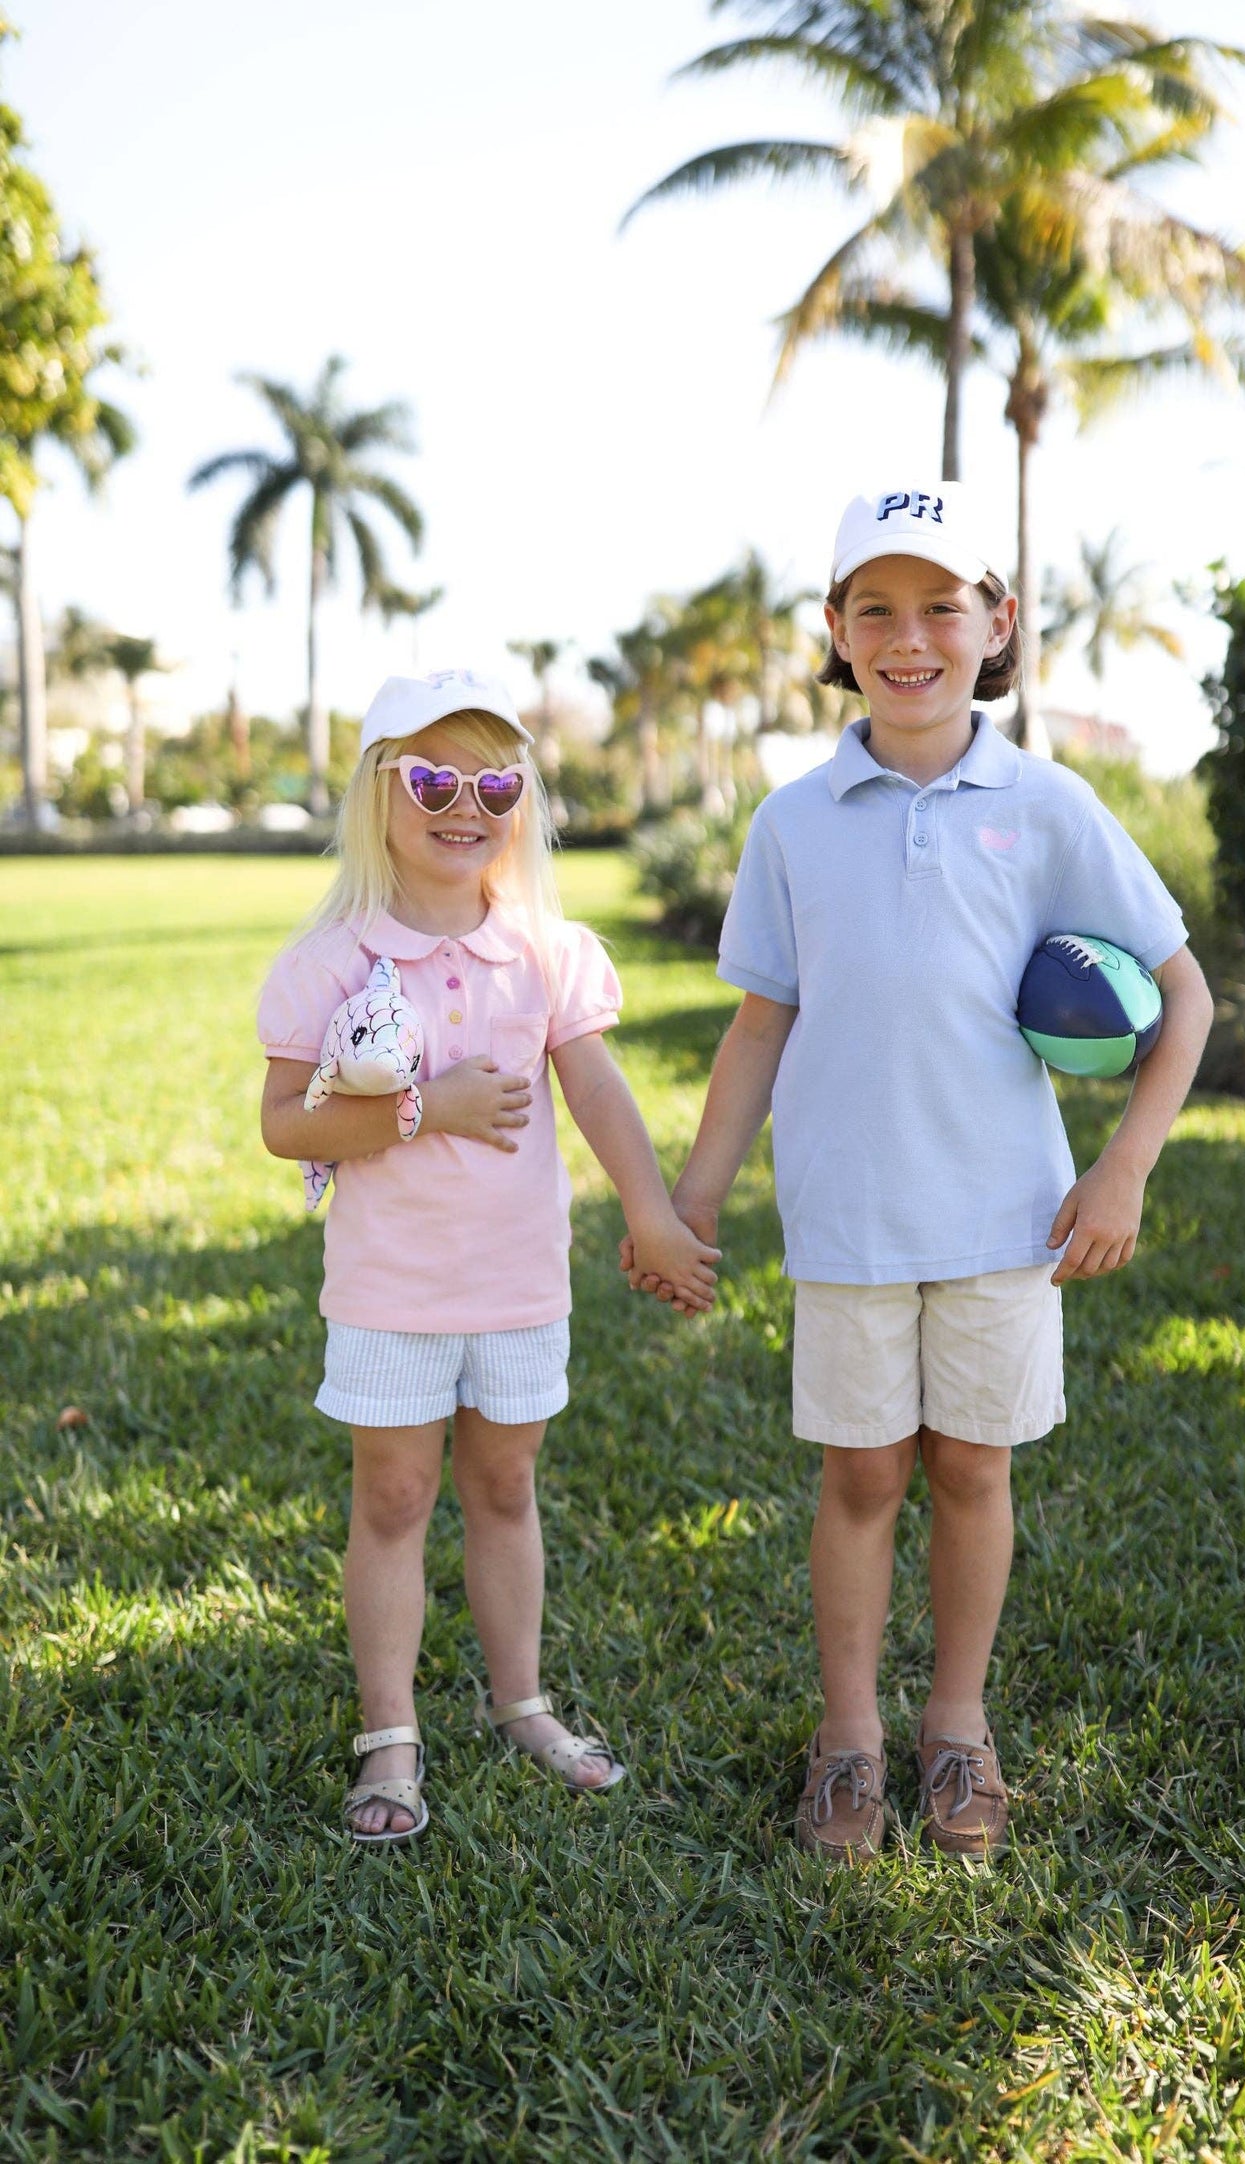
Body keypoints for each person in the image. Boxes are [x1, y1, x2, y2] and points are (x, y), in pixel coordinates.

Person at [626, 489, 1215, 1864]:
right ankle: (848, 1745)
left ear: (994, 624)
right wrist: (695, 1194)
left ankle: (956, 1728)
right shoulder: (794, 821)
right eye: (875, 610)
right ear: (834, 632)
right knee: (861, 1475)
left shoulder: (1048, 805)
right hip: (845, 1216)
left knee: (969, 1469)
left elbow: (1183, 998)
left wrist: (1124, 1166)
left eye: (940, 607)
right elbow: (761, 1021)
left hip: (1008, 1217)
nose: (909, 638)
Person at [259, 669, 718, 1842]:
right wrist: (428, 1106)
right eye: (432, 778)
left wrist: (652, 1211)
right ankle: (389, 1733)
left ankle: (521, 1702)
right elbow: (286, 1126)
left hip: (518, 1285)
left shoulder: (546, 953)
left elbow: (600, 1090)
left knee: (506, 1487)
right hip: (390, 1291)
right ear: (379, 793)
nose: (465, 804)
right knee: (395, 1496)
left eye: (495, 782)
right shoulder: (329, 961)